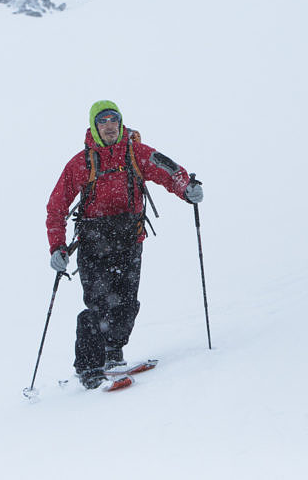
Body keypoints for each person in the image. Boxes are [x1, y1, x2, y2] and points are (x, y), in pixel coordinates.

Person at [46, 100, 203, 389]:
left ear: (120, 123)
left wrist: (187, 188)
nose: (109, 125)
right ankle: (89, 368)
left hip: (129, 240)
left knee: (126, 304)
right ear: (94, 125)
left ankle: (113, 353)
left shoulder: (135, 153)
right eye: (103, 120)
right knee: (97, 306)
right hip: (93, 244)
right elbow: (55, 207)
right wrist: (57, 247)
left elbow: (167, 170)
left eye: (113, 119)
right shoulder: (81, 163)